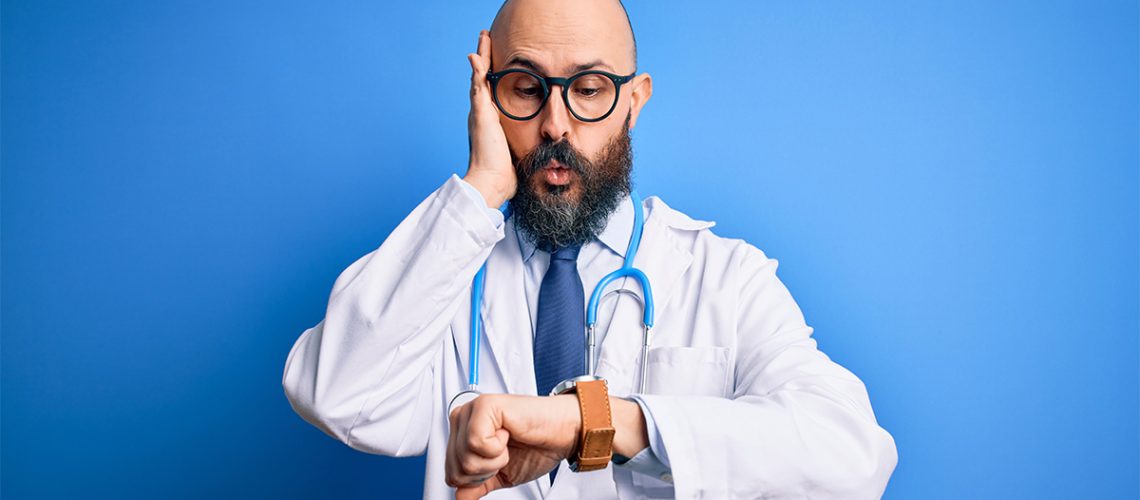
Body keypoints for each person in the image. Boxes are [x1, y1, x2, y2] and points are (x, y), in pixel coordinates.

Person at [281, 0, 898, 498]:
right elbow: (333, 394)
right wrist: (479, 191)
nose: (555, 123)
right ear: (487, 97)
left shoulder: (724, 277)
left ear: (635, 100)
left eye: (590, 87)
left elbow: (851, 456)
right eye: (525, 88)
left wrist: (590, 422)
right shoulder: (444, 270)